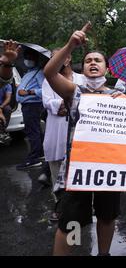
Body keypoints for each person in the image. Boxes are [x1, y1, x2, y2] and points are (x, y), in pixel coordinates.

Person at [44, 22, 123, 256]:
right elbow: (49, 73)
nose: (92, 63)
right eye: (88, 61)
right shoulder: (74, 91)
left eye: (97, 60)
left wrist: (124, 105)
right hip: (78, 169)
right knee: (73, 221)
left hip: (109, 168)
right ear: (83, 68)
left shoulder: (119, 97)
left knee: (107, 216)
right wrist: (70, 46)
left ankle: (103, 253)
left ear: (106, 69)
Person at [42, 49, 84, 221]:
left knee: (76, 172)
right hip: (56, 131)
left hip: (77, 132)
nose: (55, 60)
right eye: (52, 58)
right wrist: (62, 102)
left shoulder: (81, 79)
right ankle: (59, 206)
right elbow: (47, 101)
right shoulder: (48, 81)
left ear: (67, 59)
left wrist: (69, 103)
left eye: (57, 57)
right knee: (56, 171)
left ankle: (79, 208)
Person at [16, 48, 45, 170]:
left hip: (33, 105)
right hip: (27, 106)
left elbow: (45, 91)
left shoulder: (39, 72)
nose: (28, 60)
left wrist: (29, 92)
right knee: (35, 130)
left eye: (30, 57)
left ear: (36, 59)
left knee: (32, 131)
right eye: (26, 57)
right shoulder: (29, 72)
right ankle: (41, 154)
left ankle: (34, 159)